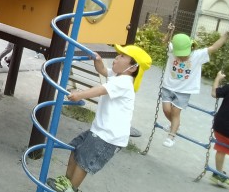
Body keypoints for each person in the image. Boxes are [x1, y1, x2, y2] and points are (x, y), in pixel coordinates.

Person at [48, 45, 152, 192]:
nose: (117, 57)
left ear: (133, 67)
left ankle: (71, 188)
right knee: (76, 149)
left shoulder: (124, 82)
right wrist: (97, 60)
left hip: (109, 136)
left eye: (122, 56)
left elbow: (100, 90)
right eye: (118, 54)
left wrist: (80, 94)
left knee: (84, 160)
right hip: (100, 130)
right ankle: (66, 183)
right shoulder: (118, 76)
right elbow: (103, 70)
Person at [161, 23, 229, 147]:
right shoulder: (172, 51)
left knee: (175, 112)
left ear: (190, 48)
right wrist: (169, 32)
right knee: (166, 110)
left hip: (184, 90)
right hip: (168, 86)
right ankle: (174, 126)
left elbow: (213, 48)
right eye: (179, 54)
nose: (181, 57)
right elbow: (165, 42)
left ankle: (171, 136)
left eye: (184, 55)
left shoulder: (198, 55)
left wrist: (225, 36)